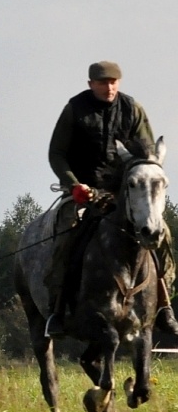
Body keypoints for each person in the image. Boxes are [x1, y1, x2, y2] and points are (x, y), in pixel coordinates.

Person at [44, 61, 177, 338]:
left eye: (113, 82)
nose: (109, 87)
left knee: (161, 233)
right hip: (84, 193)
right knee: (66, 236)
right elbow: (56, 153)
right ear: (91, 84)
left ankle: (164, 306)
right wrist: (74, 185)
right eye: (103, 82)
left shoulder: (133, 109)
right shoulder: (74, 109)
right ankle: (57, 309)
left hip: (126, 193)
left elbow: (147, 153)